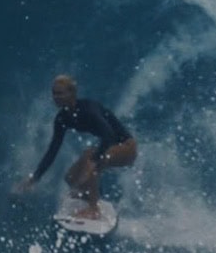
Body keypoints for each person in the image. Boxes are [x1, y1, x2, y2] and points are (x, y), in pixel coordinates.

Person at [16, 74, 136, 219]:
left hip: (127, 147)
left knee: (90, 159)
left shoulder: (89, 109)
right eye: (54, 93)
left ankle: (93, 208)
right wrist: (35, 178)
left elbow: (109, 135)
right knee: (71, 178)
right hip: (109, 147)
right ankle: (91, 197)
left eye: (60, 93)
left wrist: (96, 158)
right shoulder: (62, 119)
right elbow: (53, 150)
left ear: (72, 93)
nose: (56, 97)